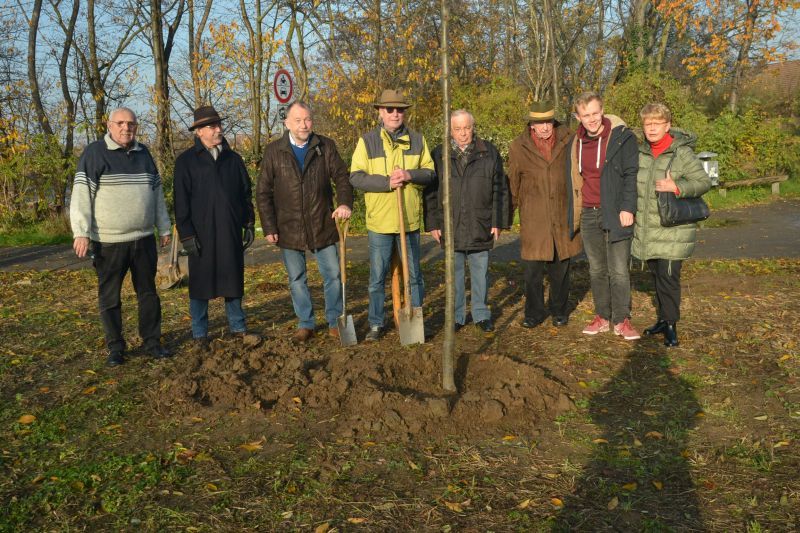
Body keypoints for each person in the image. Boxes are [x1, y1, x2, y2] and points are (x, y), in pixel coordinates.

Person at [69, 107, 172, 366]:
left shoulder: (144, 154)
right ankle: (116, 347)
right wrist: (81, 232)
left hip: (144, 239)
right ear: (110, 125)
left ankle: (152, 342)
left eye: (132, 123)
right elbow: (81, 196)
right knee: (110, 297)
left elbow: (156, 194)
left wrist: (165, 226)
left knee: (148, 294)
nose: (127, 128)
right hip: (109, 242)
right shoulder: (94, 153)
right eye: (121, 123)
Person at [256, 101, 353, 343]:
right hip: (289, 226)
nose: (304, 125)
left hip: (323, 222)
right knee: (297, 279)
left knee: (333, 275)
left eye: (307, 119)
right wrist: (269, 227)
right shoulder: (273, 151)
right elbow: (263, 192)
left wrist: (344, 203)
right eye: (298, 120)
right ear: (287, 123)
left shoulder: (324, 146)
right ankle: (306, 323)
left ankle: (334, 321)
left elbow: (342, 177)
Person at [350, 89, 435, 341]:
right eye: (390, 109)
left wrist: (410, 175)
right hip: (380, 221)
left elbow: (430, 172)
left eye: (400, 109)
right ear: (380, 112)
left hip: (408, 220)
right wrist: (387, 182)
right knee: (377, 277)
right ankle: (376, 323)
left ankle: (415, 318)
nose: (395, 113)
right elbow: (356, 177)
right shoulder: (367, 141)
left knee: (414, 274)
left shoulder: (417, 140)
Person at [173, 105, 259, 350]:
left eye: (219, 125)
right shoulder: (186, 162)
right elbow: (181, 203)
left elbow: (245, 193)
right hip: (200, 234)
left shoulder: (233, 159)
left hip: (230, 230)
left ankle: (238, 328)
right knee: (200, 285)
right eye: (212, 126)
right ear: (199, 131)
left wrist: (249, 222)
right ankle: (199, 334)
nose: (218, 130)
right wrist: (187, 234)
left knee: (233, 280)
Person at [633, 103, 711, 346]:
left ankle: (670, 325)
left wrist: (676, 187)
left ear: (668, 126)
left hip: (672, 229)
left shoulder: (681, 153)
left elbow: (703, 182)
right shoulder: (641, 153)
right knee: (657, 276)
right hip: (648, 228)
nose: (652, 128)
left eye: (657, 123)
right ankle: (662, 319)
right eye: (648, 123)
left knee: (668, 278)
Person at [426, 109, 509, 332]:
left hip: (480, 222)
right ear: (450, 130)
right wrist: (433, 223)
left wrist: (498, 220)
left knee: (480, 271)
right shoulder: (438, 155)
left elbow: (500, 188)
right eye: (458, 129)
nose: (463, 133)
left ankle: (481, 314)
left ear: (473, 127)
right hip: (450, 225)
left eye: (467, 128)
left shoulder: (489, 152)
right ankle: (457, 315)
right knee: (455, 275)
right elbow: (431, 192)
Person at [566, 92, 640, 340]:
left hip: (616, 211)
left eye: (595, 113)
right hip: (589, 212)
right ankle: (602, 316)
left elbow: (632, 174)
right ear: (578, 117)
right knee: (597, 269)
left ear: (603, 111)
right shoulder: (576, 142)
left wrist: (628, 207)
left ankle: (622, 320)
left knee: (619, 269)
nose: (592, 119)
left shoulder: (622, 137)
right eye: (585, 115)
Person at [509, 102, 583, 328]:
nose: (544, 128)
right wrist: (507, 215)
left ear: (554, 121)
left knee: (561, 268)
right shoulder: (517, 147)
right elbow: (513, 182)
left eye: (547, 122)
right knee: (532, 272)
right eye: (538, 123)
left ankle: (559, 311)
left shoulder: (571, 140)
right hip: (534, 217)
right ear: (531, 125)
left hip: (562, 213)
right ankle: (533, 312)